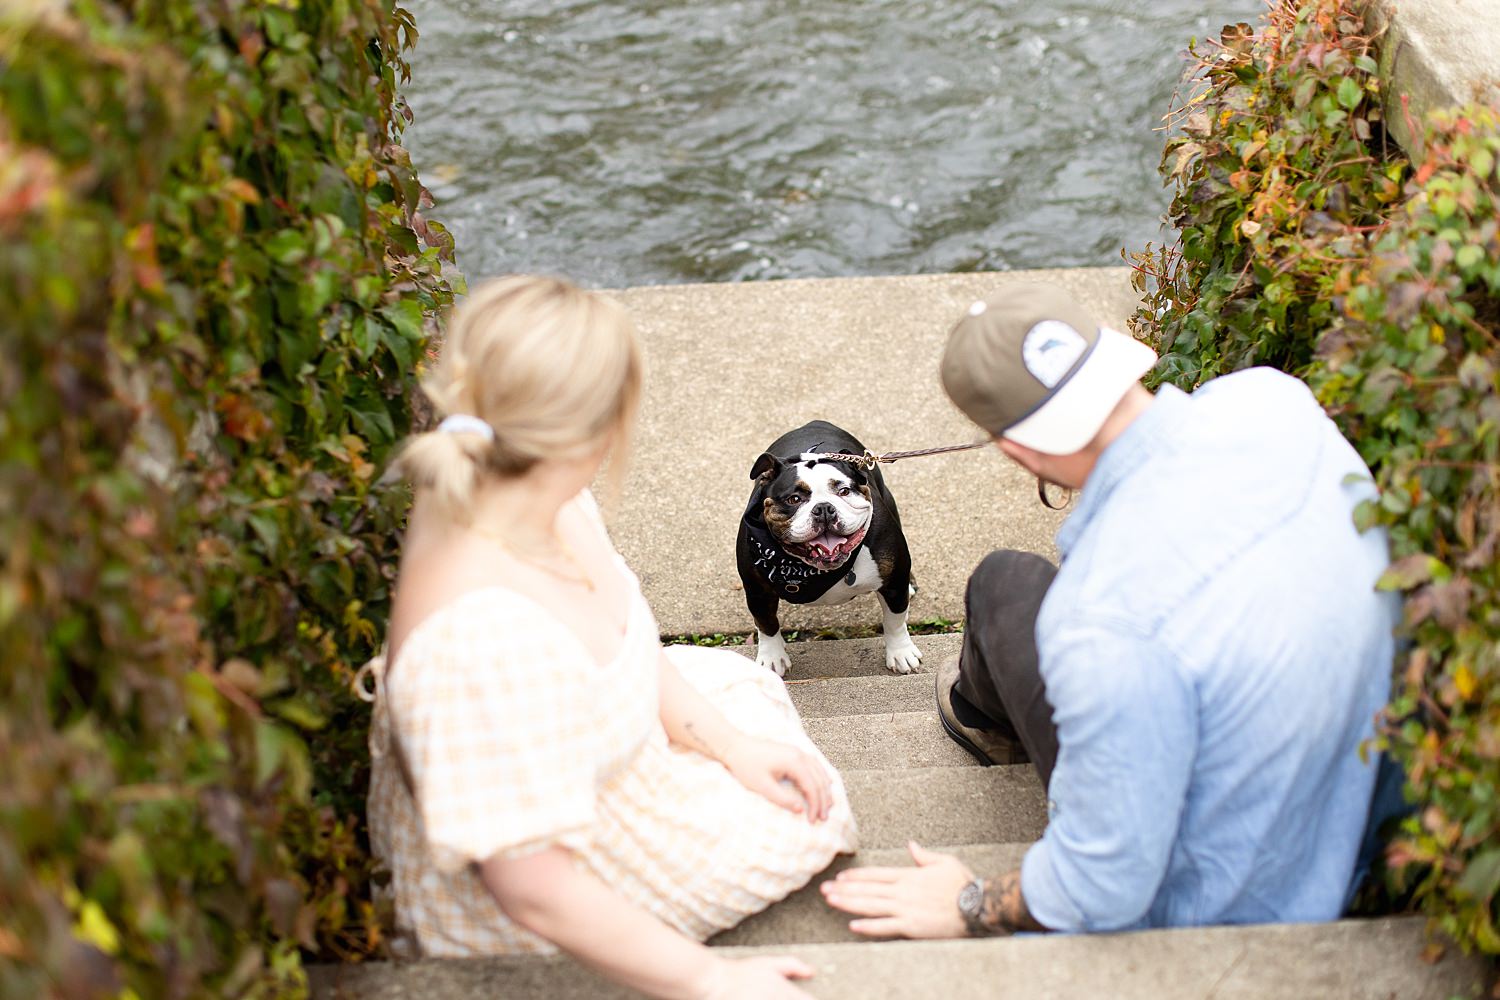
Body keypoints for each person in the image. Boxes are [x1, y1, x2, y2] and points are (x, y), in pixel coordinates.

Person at [820, 282, 1399, 939]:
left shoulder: (1103, 623)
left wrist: (968, 903)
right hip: (1369, 802)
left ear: (1017, 450)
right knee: (1013, 586)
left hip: (1240, 910)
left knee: (1002, 582)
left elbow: (1102, 890)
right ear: (1116, 359)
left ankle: (980, 716)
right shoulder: (1275, 401)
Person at [360, 275, 858, 998]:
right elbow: (529, 888)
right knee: (813, 817)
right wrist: (708, 981)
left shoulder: (513, 486)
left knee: (751, 710)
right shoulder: (478, 640)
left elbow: (623, 627)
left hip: (582, 761)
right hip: (535, 884)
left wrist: (730, 745)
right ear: (597, 431)